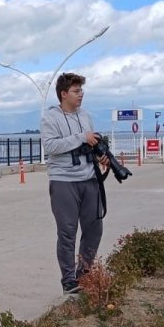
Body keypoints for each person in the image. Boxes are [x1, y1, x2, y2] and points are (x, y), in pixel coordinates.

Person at [40, 72, 110, 295]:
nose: (81, 95)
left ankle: (85, 274)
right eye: (76, 91)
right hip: (63, 181)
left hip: (89, 179)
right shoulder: (50, 118)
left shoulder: (86, 116)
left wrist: (100, 156)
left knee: (94, 229)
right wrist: (81, 137)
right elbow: (51, 147)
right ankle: (69, 280)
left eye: (81, 90)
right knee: (67, 231)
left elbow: (89, 144)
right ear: (63, 94)